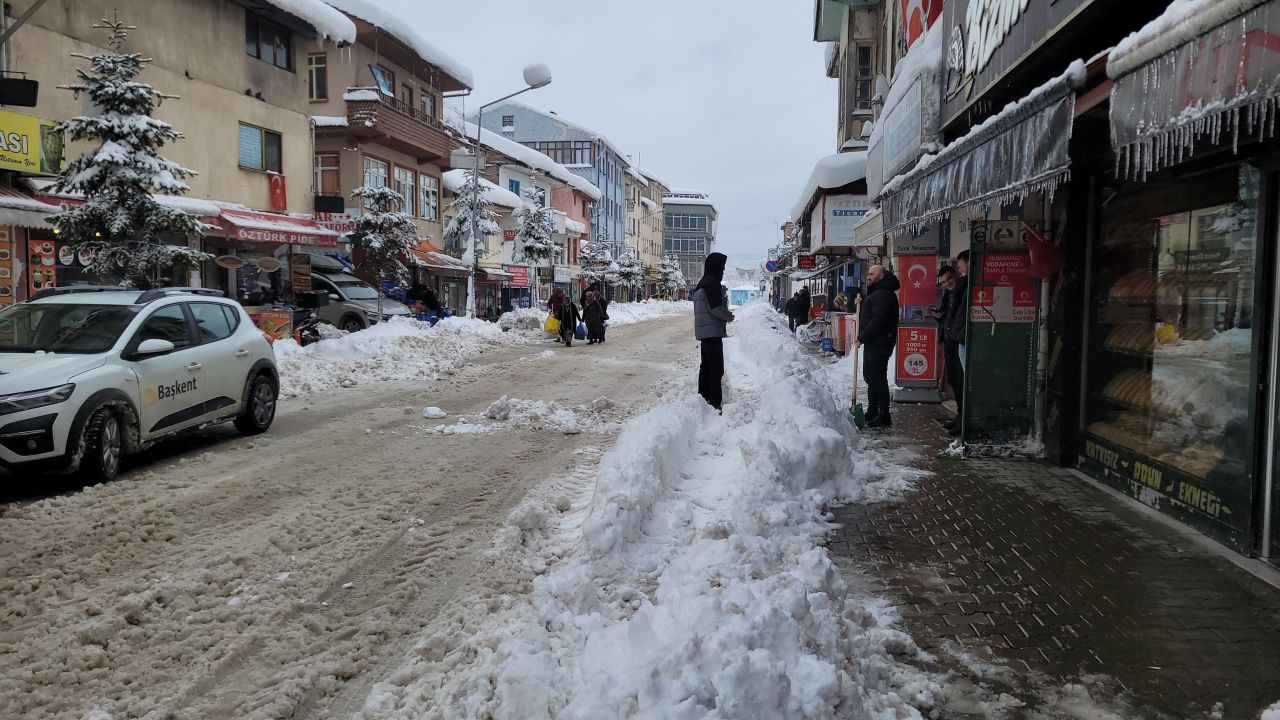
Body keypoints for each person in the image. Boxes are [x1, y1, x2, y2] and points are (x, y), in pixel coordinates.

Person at [857, 264, 900, 428]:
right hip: (873, 342)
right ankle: (873, 410)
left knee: (877, 377)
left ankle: (884, 414)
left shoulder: (885, 295)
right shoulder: (877, 292)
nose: (868, 276)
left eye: (871, 274)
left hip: (880, 342)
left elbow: (878, 320)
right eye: (867, 273)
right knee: (870, 376)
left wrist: (863, 336)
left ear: (881, 276)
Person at [693, 252, 734, 411]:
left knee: (707, 366)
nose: (722, 270)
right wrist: (728, 316)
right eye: (721, 267)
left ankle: (703, 399)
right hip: (712, 332)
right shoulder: (712, 283)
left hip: (705, 332)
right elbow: (715, 308)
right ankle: (714, 402)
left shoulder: (702, 281)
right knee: (716, 368)